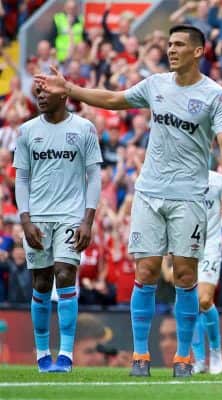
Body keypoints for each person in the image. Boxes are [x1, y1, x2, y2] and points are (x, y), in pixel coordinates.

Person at [34, 24, 222, 378]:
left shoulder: (216, 95)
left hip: (190, 196)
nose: (171, 49)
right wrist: (70, 88)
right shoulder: (155, 84)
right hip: (149, 192)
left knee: (186, 276)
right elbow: (114, 100)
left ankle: (184, 357)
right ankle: (140, 356)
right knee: (145, 272)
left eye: (178, 45)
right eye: (169, 43)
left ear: (197, 52)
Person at [14, 82, 102, 373]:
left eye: (45, 93)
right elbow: (22, 179)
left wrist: (87, 220)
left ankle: (65, 354)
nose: (39, 97)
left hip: (70, 214)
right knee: (40, 282)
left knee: (65, 274)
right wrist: (25, 220)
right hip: (37, 216)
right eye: (37, 93)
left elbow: (94, 175)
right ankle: (42, 354)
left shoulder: (84, 129)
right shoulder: (27, 131)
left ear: (63, 95)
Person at [191, 170, 222, 375]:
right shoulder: (179, 175)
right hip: (185, 245)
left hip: (210, 245)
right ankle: (199, 360)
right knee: (189, 304)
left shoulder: (218, 180)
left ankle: (216, 349)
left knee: (204, 300)